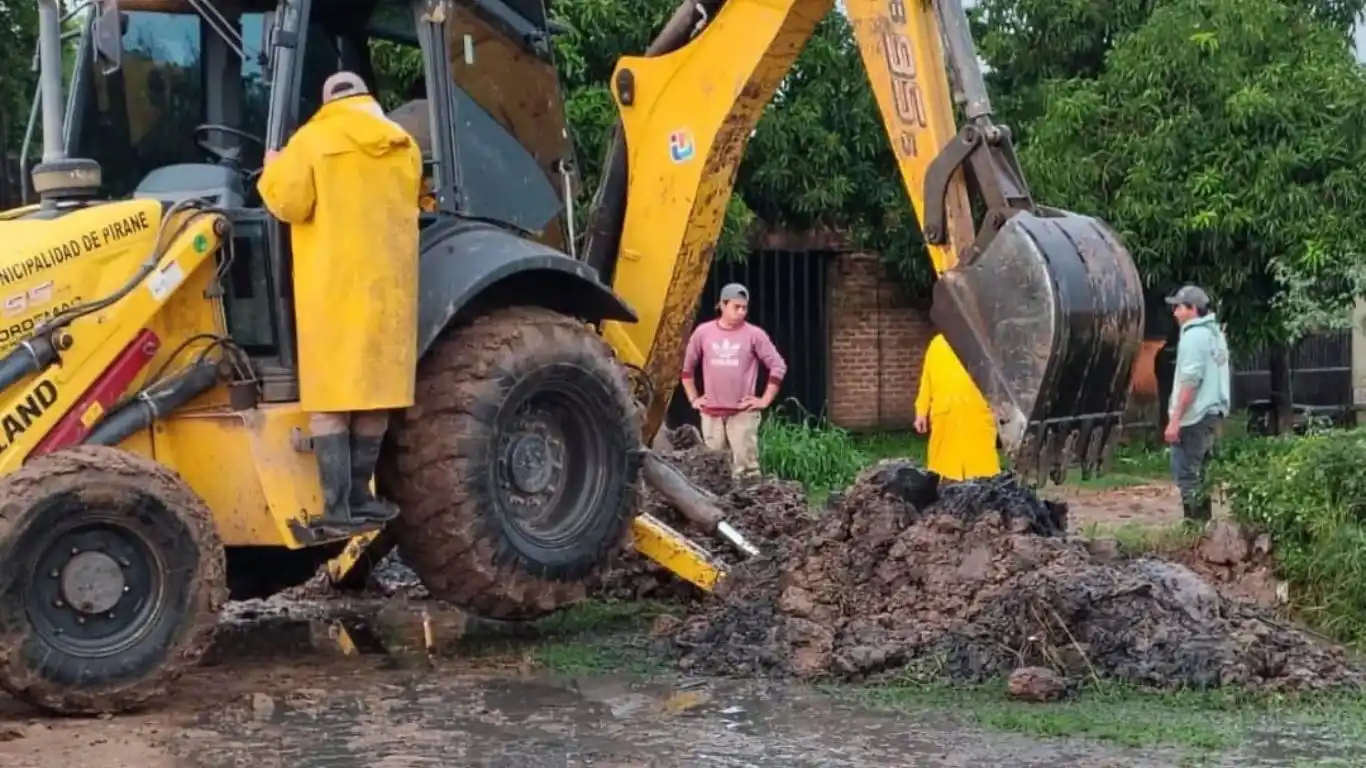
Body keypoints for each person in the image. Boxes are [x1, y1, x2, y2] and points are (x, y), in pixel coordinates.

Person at [258, 71, 423, 532]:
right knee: (375, 393)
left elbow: (289, 204)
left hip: (333, 286)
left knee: (331, 397)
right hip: (389, 288)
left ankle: (336, 507)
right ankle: (360, 496)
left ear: (328, 100)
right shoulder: (402, 144)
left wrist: (273, 167)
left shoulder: (312, 141)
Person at [680, 283, 788, 483]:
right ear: (722, 305)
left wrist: (764, 400)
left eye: (744, 308)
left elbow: (778, 366)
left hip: (742, 412)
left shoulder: (754, 335)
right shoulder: (703, 333)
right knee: (714, 469)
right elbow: (686, 368)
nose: (741, 312)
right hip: (711, 413)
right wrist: (693, 398)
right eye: (736, 307)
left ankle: (752, 510)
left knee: (746, 469)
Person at [1163, 284, 1230, 524]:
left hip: (1194, 415)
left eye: (1178, 307)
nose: (1175, 313)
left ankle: (1193, 528)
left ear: (1192, 309)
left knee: (1187, 474)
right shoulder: (1216, 335)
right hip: (1212, 413)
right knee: (1202, 474)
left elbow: (1190, 381)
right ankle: (1204, 529)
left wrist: (1175, 420)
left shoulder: (1194, 336)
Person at [913, 333, 1000, 480]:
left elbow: (995, 376)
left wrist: (998, 405)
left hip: (976, 412)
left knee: (983, 466)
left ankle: (985, 493)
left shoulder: (982, 341)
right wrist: (921, 411)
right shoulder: (937, 344)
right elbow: (927, 379)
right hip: (946, 415)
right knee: (943, 467)